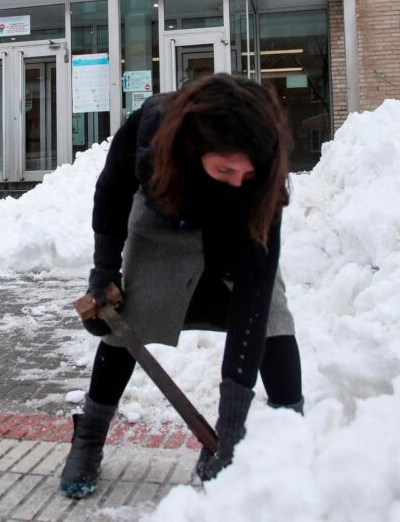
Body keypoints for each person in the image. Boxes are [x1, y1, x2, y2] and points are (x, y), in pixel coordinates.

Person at [60, 74, 303, 499]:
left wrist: (230, 432)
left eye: (246, 171)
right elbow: (112, 195)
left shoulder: (260, 180)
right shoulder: (153, 133)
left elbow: (253, 294)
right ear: (195, 148)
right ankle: (89, 438)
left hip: (237, 227)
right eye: (224, 168)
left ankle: (295, 443)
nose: (236, 178)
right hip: (165, 219)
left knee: (272, 322)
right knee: (126, 327)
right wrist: (103, 273)